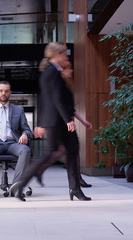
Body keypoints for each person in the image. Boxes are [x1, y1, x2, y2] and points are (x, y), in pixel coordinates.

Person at [13, 42, 91, 201]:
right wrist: (67, 120)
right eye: (64, 54)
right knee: (48, 154)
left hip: (55, 120)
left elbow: (45, 100)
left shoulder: (49, 72)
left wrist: (43, 122)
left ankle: (75, 188)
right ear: (57, 54)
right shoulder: (53, 72)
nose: (66, 57)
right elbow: (56, 98)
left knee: (73, 150)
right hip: (57, 121)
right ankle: (21, 184)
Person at [34, 60, 93, 188]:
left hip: (62, 122)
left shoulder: (63, 86)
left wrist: (83, 121)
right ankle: (38, 170)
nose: (71, 71)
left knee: (66, 150)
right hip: (60, 123)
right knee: (62, 150)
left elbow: (70, 108)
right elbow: (52, 106)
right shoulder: (57, 85)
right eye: (68, 69)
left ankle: (75, 180)